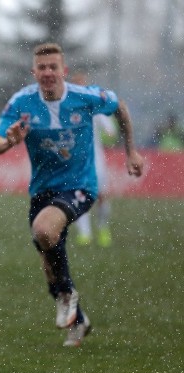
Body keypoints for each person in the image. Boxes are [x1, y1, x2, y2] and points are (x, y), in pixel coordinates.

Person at [0, 43, 144, 347]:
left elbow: (120, 106)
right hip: (42, 190)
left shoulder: (85, 97)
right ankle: (79, 320)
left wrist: (131, 151)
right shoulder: (22, 102)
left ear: (63, 71)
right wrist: (8, 141)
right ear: (34, 72)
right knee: (48, 260)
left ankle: (68, 295)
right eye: (41, 68)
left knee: (44, 229)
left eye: (53, 67)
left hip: (81, 186)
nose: (47, 73)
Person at [70, 71, 118, 247]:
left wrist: (109, 128)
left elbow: (111, 131)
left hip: (96, 160)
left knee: (101, 196)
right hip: (76, 161)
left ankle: (103, 227)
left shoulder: (95, 109)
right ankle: (85, 234)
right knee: (78, 195)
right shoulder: (68, 110)